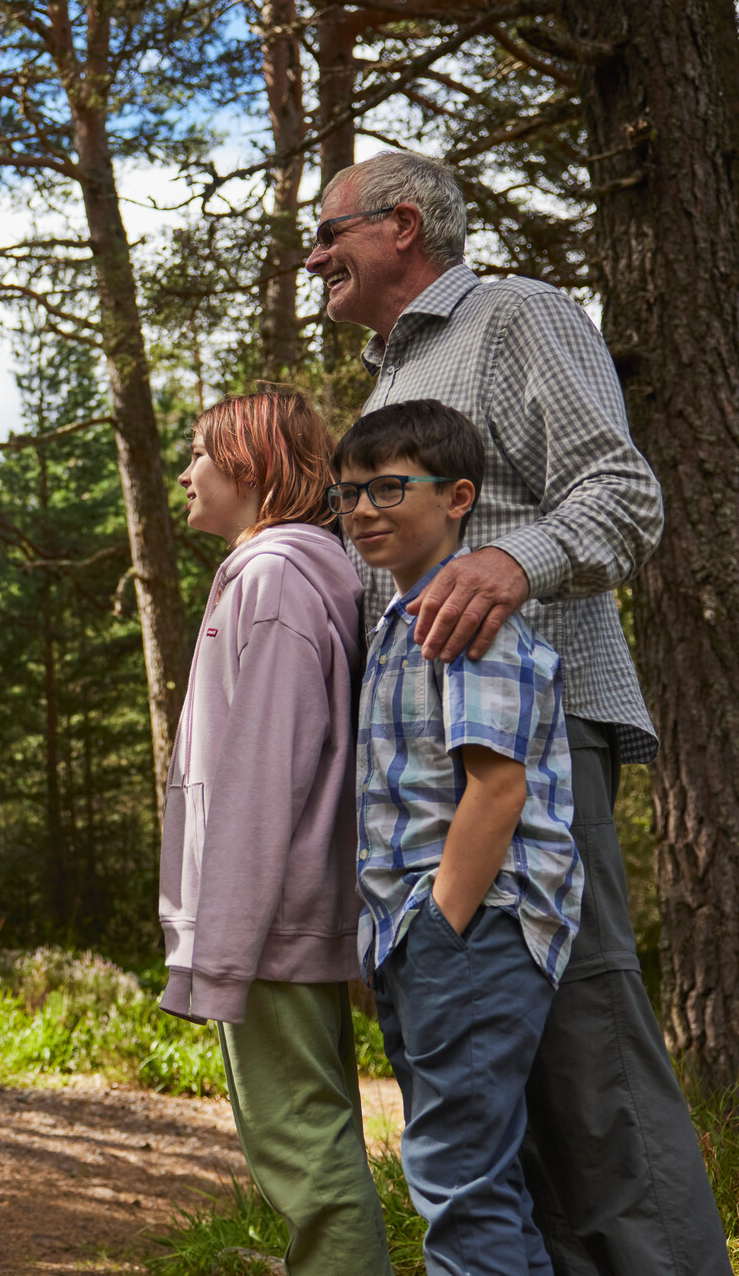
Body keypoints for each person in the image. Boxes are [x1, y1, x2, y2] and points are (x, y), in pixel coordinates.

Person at [305, 150, 727, 1276]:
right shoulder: (388, 373)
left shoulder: (513, 315)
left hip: (535, 752)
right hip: (434, 776)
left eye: (326, 229)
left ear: (401, 226)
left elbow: (622, 493)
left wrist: (508, 558)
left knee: (585, 1051)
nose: (311, 254)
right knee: (508, 1081)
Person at [335, 398, 584, 1273]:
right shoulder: (399, 625)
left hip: (473, 932)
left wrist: (439, 926)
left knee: (456, 1177)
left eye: (390, 488)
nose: (364, 509)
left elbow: (498, 786)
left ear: (458, 497)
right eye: (350, 494)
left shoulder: (467, 624)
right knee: (482, 1180)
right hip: (422, 938)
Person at [160, 390, 388, 1275]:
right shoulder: (299, 568)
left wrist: (226, 941)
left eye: (200, 456)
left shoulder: (274, 577)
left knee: (304, 1158)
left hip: (270, 923)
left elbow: (263, 773)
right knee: (311, 1141)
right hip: (284, 914)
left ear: (248, 468)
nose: (186, 473)